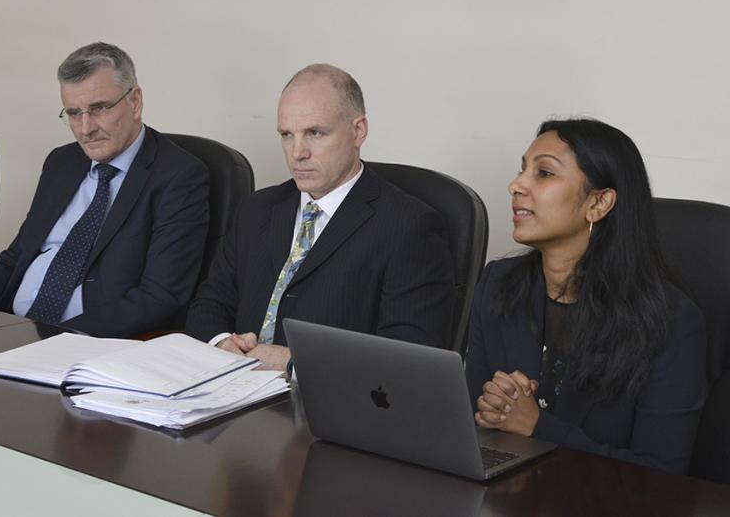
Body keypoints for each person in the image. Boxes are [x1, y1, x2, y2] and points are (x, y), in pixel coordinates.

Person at [465, 118, 707, 474]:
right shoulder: (497, 284)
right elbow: (470, 422)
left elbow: (661, 474)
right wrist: (490, 409)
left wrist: (538, 427)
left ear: (599, 203)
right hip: (501, 493)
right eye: (522, 170)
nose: (515, 185)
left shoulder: (673, 321)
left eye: (544, 173)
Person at [185, 64, 455, 372]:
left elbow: (409, 358)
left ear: (358, 131)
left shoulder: (410, 226)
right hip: (230, 386)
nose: (297, 152)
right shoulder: (256, 209)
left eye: (315, 133)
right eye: (287, 135)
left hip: (327, 399)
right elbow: (208, 304)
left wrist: (293, 363)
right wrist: (223, 344)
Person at [0, 42, 210, 338]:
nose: (85, 129)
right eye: (74, 113)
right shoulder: (61, 162)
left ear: (135, 101)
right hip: (13, 329)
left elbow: (160, 295)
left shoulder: (178, 176)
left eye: (99, 108)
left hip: (90, 341)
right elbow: (19, 255)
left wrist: (60, 339)